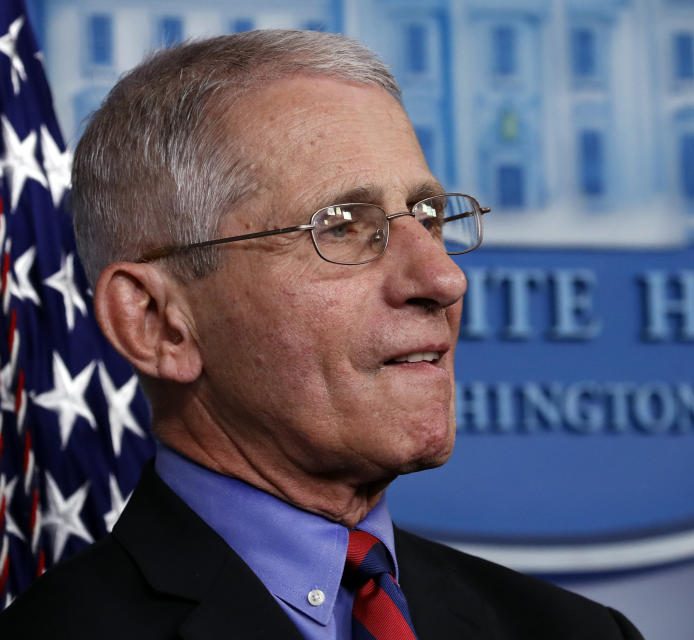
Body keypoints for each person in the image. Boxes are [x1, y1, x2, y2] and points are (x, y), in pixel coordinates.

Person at [0, 30, 643, 639]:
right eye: (339, 227)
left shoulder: (576, 632)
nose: (444, 279)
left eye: (428, 216)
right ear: (157, 322)